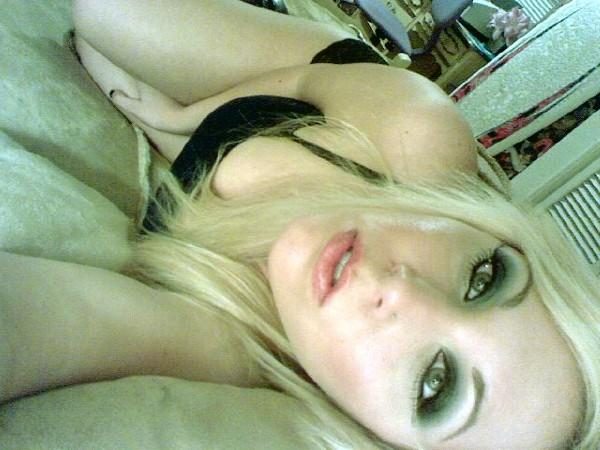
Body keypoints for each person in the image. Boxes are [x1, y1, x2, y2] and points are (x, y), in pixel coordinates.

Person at [1, 0, 598, 448]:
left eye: (434, 385)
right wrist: (174, 117)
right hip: (308, 74)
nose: (403, 291)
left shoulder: (235, 350)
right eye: (485, 277)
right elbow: (310, 81)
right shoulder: (419, 137)